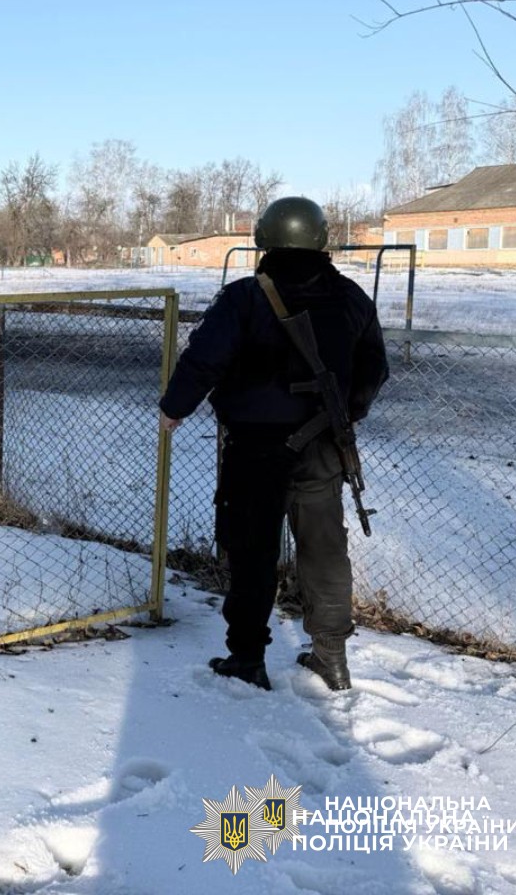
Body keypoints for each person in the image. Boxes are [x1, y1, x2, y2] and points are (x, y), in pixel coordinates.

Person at [158, 197, 388, 692]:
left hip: (255, 449)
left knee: (252, 550)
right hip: (324, 445)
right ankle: (331, 657)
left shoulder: (245, 297)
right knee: (325, 550)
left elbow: (204, 360)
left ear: (264, 239)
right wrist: (346, 413)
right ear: (320, 239)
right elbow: (375, 369)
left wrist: (175, 407)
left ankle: (247, 658)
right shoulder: (351, 298)